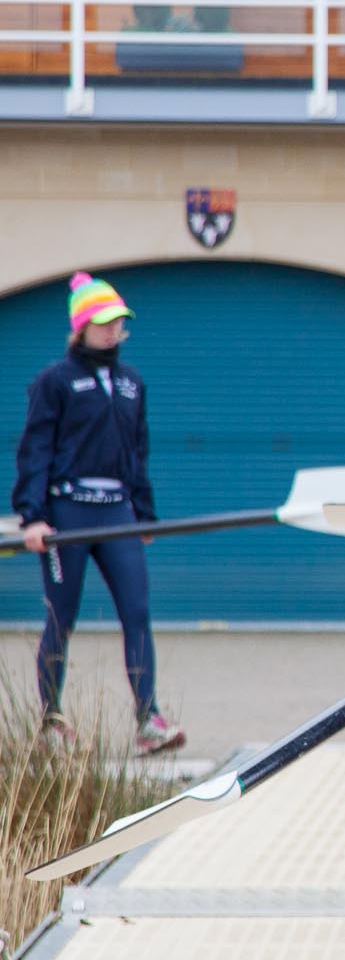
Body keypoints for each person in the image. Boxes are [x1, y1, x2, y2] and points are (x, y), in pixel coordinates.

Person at [13, 271, 182, 755]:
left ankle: (149, 720)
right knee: (60, 617)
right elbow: (35, 449)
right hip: (67, 514)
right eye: (104, 322)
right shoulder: (54, 381)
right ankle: (50, 722)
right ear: (81, 327)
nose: (113, 331)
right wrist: (33, 516)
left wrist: (143, 513)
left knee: (137, 612)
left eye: (119, 322)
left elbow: (137, 451)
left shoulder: (131, 383)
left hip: (119, 513)